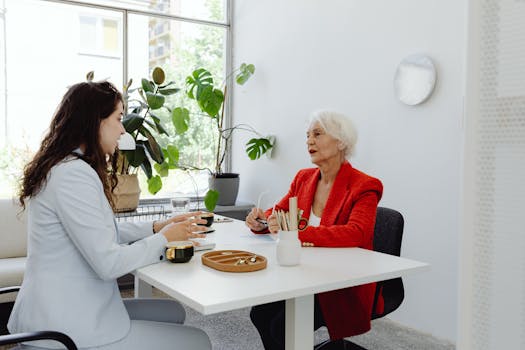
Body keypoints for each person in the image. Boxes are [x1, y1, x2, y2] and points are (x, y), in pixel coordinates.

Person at [8, 81, 212, 349]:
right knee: (198, 342)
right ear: (95, 121)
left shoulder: (66, 166)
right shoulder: (72, 175)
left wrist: (156, 227)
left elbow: (101, 230)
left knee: (174, 312)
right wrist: (163, 239)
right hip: (65, 328)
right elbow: (109, 263)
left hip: (72, 307)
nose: (122, 129)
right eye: (118, 118)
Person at [245, 110, 383, 349]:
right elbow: (277, 212)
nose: (309, 141)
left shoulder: (364, 186)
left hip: (340, 282)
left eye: (317, 134)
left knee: (282, 326)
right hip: (302, 273)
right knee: (261, 314)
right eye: (308, 135)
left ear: (341, 141)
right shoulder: (304, 178)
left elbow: (356, 232)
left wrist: (296, 232)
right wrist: (262, 221)